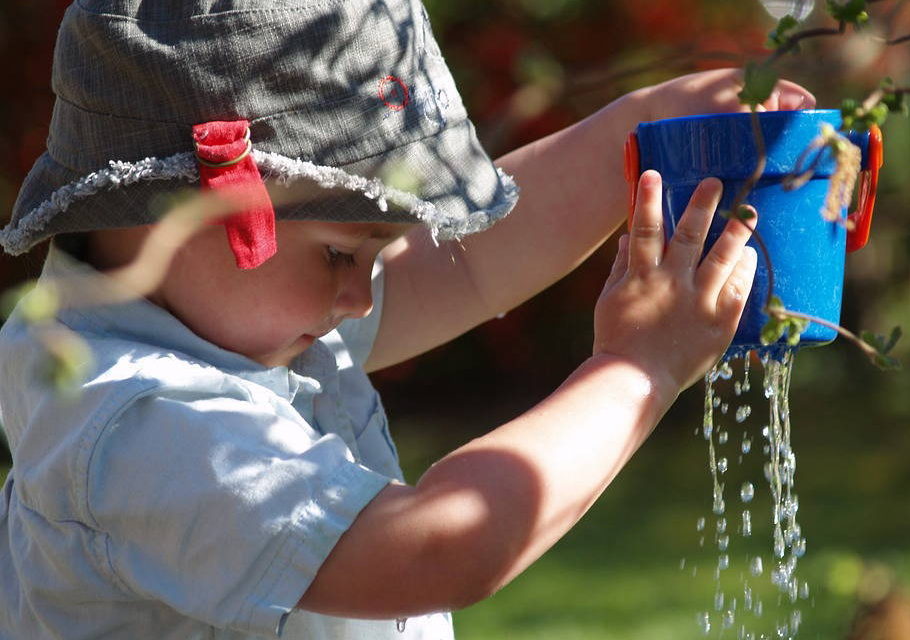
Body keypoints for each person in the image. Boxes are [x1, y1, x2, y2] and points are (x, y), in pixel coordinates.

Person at [0, 1, 814, 638]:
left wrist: (634, 137)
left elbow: (475, 263)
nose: (361, 295)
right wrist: (639, 369)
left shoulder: (223, 323)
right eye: (340, 255)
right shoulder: (139, 424)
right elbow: (435, 546)